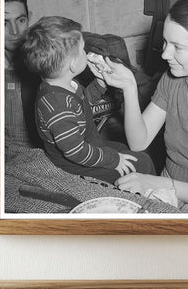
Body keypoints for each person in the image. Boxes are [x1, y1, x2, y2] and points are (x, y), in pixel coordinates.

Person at [99, 0, 188, 211]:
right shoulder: (171, 79)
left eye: (178, 47)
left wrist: (157, 183)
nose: (165, 54)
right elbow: (139, 142)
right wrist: (128, 87)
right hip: (165, 192)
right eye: (165, 42)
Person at [21, 16, 156, 184]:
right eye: (83, 49)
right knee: (142, 164)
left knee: (128, 151)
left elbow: (82, 108)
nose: (86, 53)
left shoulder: (63, 85)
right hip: (76, 166)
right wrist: (113, 160)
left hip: (92, 144)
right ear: (73, 64)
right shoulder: (57, 107)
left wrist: (100, 83)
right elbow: (76, 151)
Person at [4, 0, 40, 160]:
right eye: (4, 23)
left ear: (29, 18)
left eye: (20, 20)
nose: (15, 32)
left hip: (40, 159)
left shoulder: (44, 62)